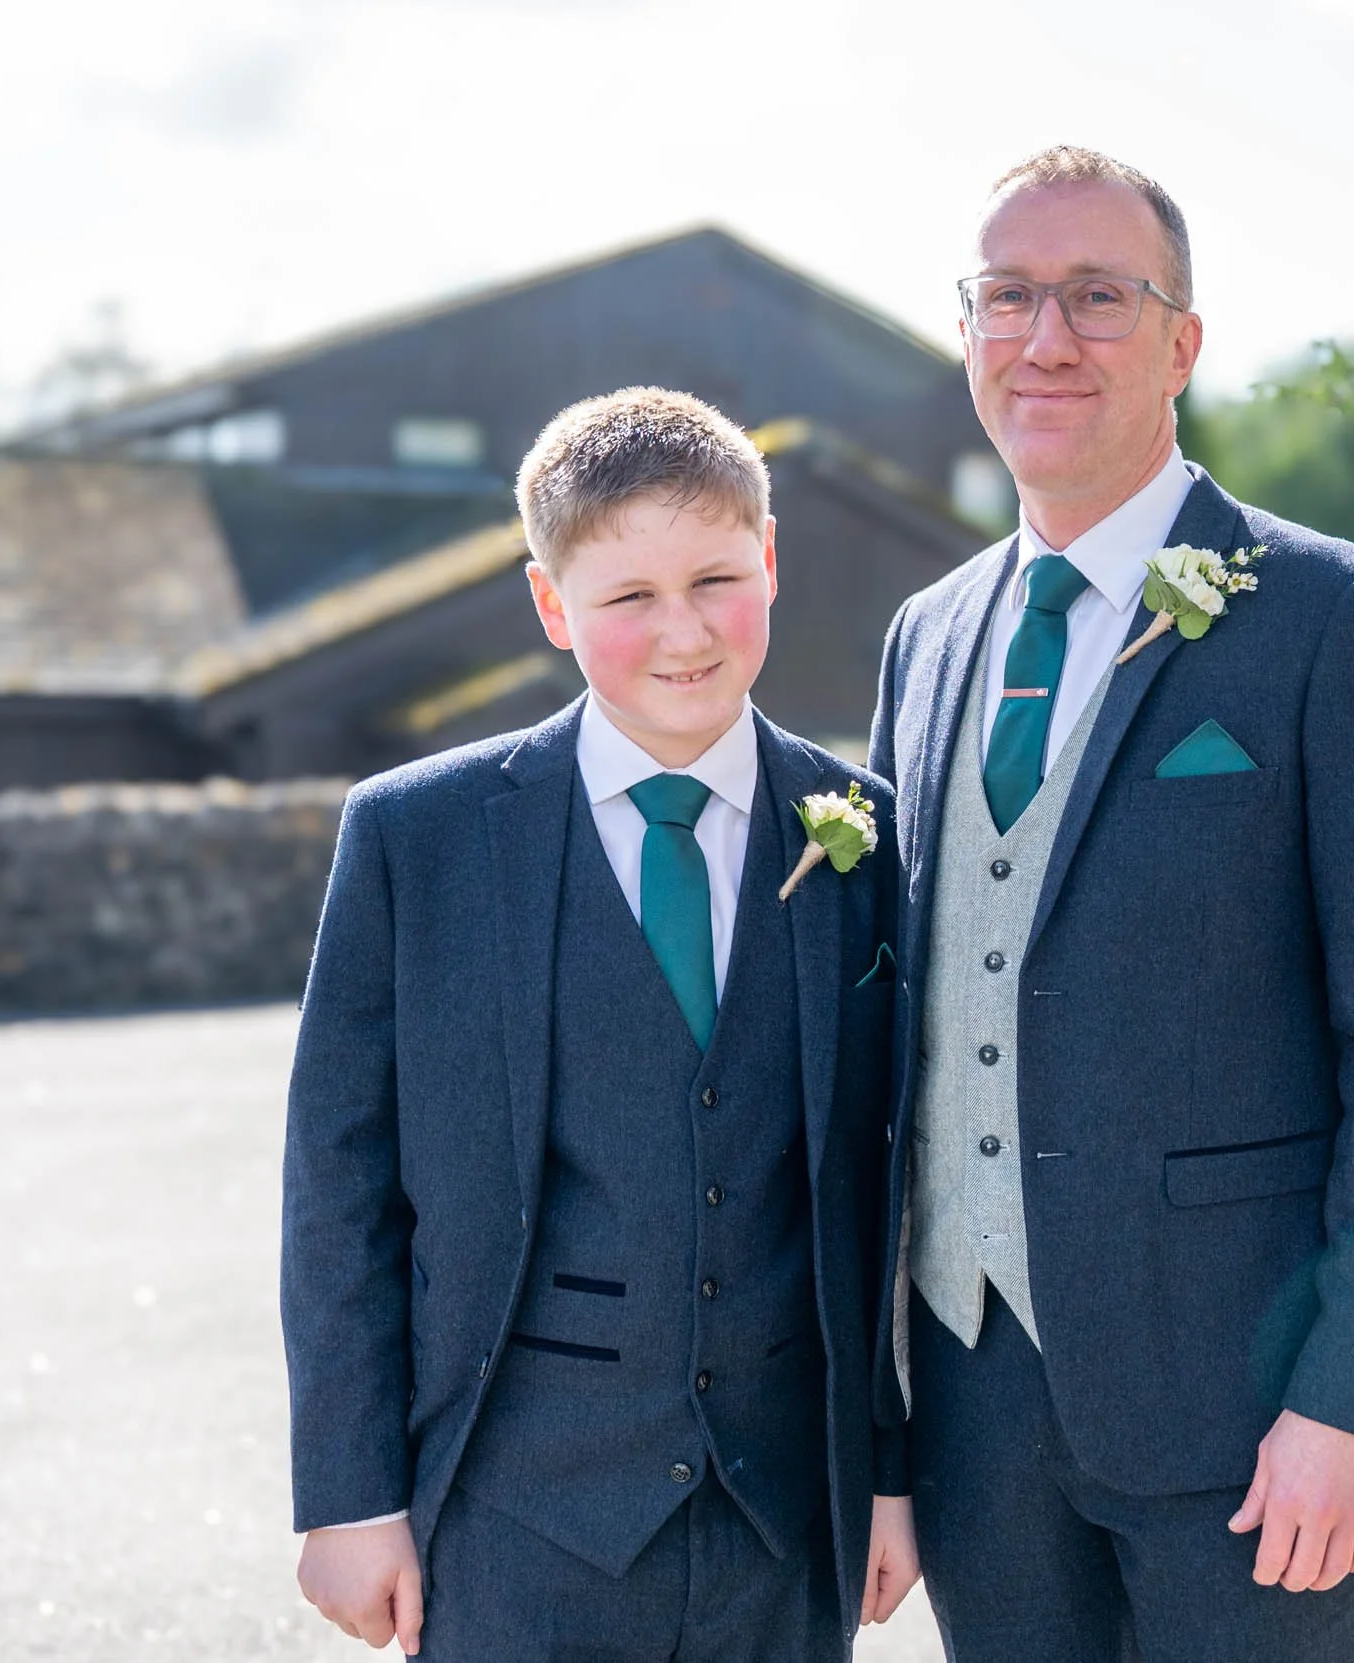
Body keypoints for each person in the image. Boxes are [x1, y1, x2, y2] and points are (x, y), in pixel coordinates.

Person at [868, 147, 1354, 1661]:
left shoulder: (1336, 618)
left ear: (1182, 342)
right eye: (1007, 297)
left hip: (1245, 1407)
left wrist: (1353, 1394)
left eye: (1098, 296)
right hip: (969, 1410)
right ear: (966, 330)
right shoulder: (925, 635)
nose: (1045, 338)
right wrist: (874, 1413)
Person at [282, 386, 919, 1660]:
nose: (682, 631)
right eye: (629, 596)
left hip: (786, 1520)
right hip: (512, 1517)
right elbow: (339, 1182)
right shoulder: (417, 837)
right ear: (550, 603)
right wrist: (349, 1497)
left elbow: (888, 1185)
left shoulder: (867, 832)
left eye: (715, 579)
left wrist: (887, 1470)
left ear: (770, 560)